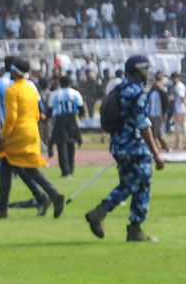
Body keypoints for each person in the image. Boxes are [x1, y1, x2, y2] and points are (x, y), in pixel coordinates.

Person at [85, 54, 167, 243]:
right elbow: (142, 123)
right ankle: (100, 212)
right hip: (134, 146)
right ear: (138, 70)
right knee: (136, 183)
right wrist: (156, 153)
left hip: (118, 145)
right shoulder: (136, 92)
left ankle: (135, 229)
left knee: (138, 185)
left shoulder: (120, 88)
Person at [0, 57, 62, 220]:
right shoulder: (31, 89)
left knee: (12, 167)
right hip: (32, 131)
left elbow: (11, 118)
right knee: (21, 167)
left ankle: (3, 208)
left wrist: (3, 137)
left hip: (17, 133)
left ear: (14, 72)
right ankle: (50, 195)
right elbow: (38, 114)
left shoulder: (13, 91)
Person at [45, 72, 84, 179]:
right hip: (71, 119)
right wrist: (81, 116)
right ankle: (71, 169)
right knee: (71, 145)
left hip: (60, 120)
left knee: (61, 145)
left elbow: (50, 109)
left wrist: (47, 118)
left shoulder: (55, 94)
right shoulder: (75, 93)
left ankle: (65, 172)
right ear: (70, 83)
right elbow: (81, 108)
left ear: (60, 83)